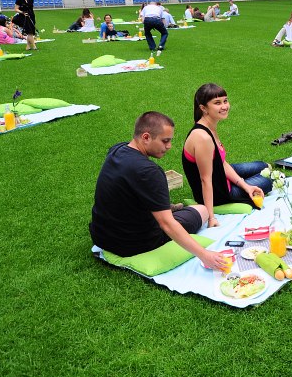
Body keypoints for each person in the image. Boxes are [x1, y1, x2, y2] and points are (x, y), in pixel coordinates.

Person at [89, 111, 228, 271]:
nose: (169, 146)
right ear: (146, 137)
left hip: (101, 236)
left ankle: (167, 207)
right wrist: (205, 255)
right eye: (165, 141)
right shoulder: (150, 172)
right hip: (133, 244)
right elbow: (167, 224)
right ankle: (168, 209)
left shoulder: (117, 150)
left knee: (155, 205)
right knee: (202, 210)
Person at [182, 84, 272, 227]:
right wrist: (211, 217)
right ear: (203, 108)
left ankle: (248, 182)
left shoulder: (209, 125)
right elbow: (205, 180)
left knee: (263, 166)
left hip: (219, 174)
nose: (224, 106)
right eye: (217, 103)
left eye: (225, 101)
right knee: (269, 179)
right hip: (219, 192)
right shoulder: (202, 137)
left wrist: (245, 186)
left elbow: (221, 162)